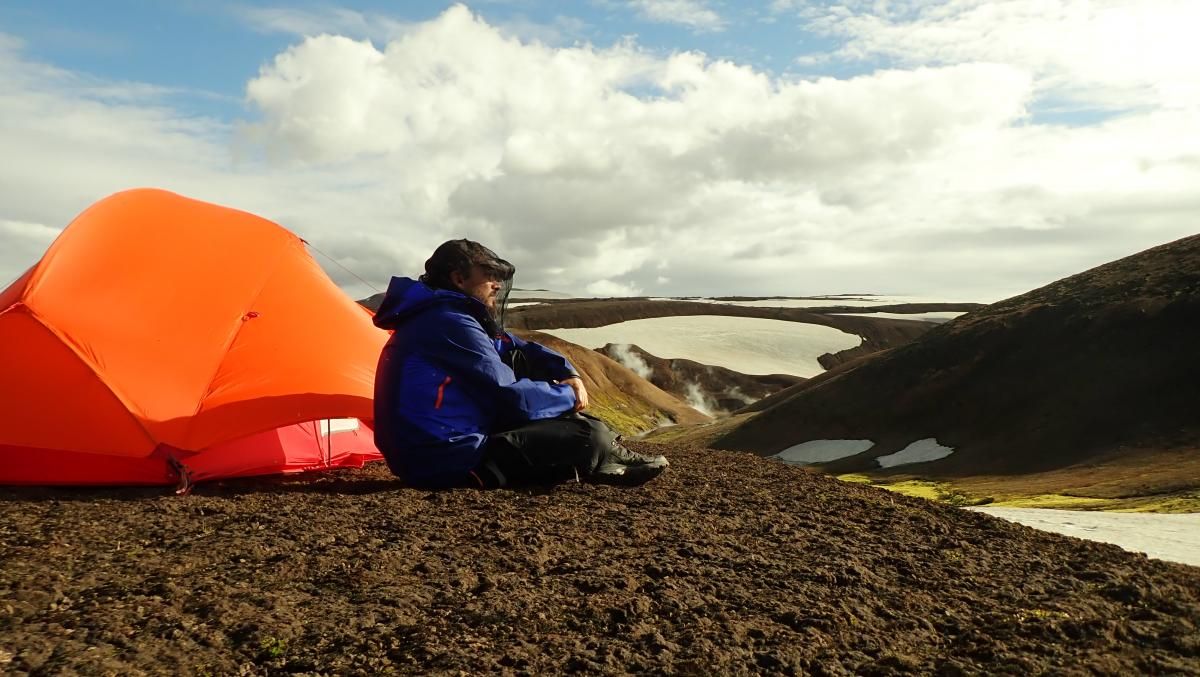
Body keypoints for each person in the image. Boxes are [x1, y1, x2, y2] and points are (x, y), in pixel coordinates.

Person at [372, 239, 668, 489]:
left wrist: (567, 372)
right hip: (440, 458)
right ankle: (603, 453)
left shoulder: (444, 315)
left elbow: (513, 346)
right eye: (488, 275)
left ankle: (608, 457)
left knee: (537, 383)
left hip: (431, 449)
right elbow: (510, 399)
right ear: (458, 279)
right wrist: (568, 395)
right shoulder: (448, 322)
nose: (497, 285)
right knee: (586, 435)